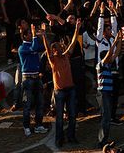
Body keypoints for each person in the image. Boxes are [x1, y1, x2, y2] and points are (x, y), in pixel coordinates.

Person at [42, 17, 82, 149]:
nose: (60, 47)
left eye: (60, 46)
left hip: (70, 89)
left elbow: (73, 43)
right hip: (59, 92)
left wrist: (76, 28)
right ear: (54, 50)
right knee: (59, 118)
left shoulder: (66, 56)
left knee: (72, 115)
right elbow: (47, 49)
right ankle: (59, 139)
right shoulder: (53, 60)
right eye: (58, 47)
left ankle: (71, 136)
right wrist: (44, 36)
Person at [96, 31, 122, 148]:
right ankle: (102, 142)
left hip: (108, 93)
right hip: (103, 94)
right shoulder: (100, 65)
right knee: (106, 117)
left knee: (107, 116)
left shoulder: (108, 64)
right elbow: (110, 54)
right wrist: (115, 42)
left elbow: (116, 53)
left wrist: (120, 41)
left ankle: (104, 140)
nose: (111, 58)